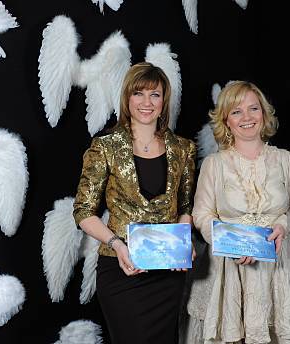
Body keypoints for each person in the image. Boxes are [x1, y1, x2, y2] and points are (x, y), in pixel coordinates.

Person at [186, 81, 290, 343]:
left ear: (264, 113)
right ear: (226, 120)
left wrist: (284, 224)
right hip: (229, 270)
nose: (247, 117)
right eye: (237, 111)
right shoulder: (214, 165)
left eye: (253, 108)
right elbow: (202, 214)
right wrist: (230, 243)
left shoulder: (285, 160)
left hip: (280, 265)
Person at [73, 62, 196, 344]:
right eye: (138, 93)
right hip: (121, 270)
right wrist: (117, 245)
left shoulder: (183, 148)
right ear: (127, 99)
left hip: (167, 273)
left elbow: (186, 207)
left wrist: (183, 242)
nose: (146, 102)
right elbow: (83, 211)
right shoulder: (105, 145)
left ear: (164, 101)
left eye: (155, 95)